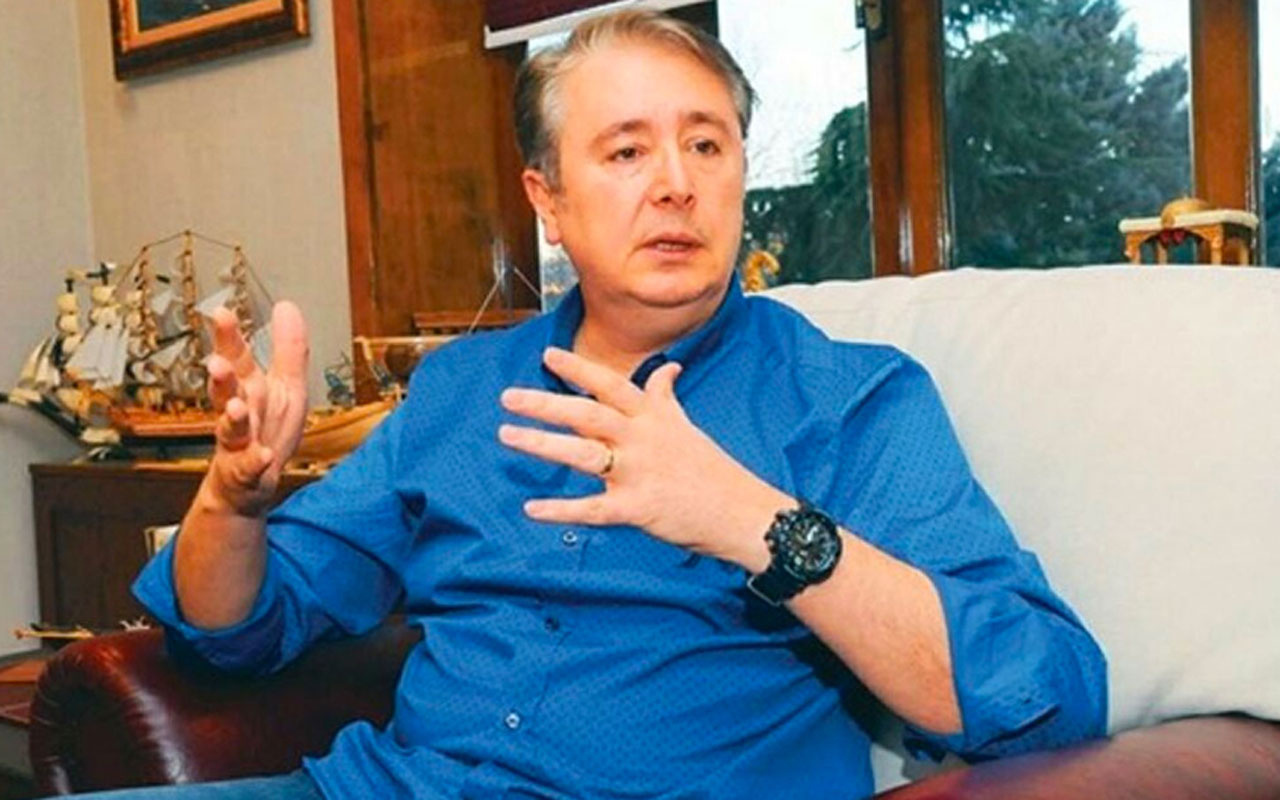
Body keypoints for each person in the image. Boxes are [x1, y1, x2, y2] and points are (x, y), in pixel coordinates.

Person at [96, 8, 1106, 799]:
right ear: (547, 199)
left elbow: (1046, 697)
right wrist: (233, 498)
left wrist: (750, 520)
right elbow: (237, 629)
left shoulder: (849, 399)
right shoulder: (460, 390)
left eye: (706, 146)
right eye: (626, 152)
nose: (674, 185)